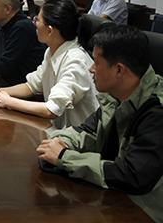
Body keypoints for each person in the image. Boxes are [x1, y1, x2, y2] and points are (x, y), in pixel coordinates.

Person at [37, 25, 163, 221]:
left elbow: (133, 176)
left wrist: (64, 156)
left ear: (119, 70)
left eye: (96, 62)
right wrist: (61, 141)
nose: (91, 69)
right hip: (112, 197)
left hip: (142, 211)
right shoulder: (115, 94)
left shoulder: (156, 112)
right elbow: (88, 131)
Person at [0, 0, 99, 129]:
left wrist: (8, 101)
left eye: (37, 20)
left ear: (50, 30)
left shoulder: (76, 60)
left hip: (80, 136)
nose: (34, 23)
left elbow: (52, 109)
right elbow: (31, 86)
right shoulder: (52, 51)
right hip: (58, 131)